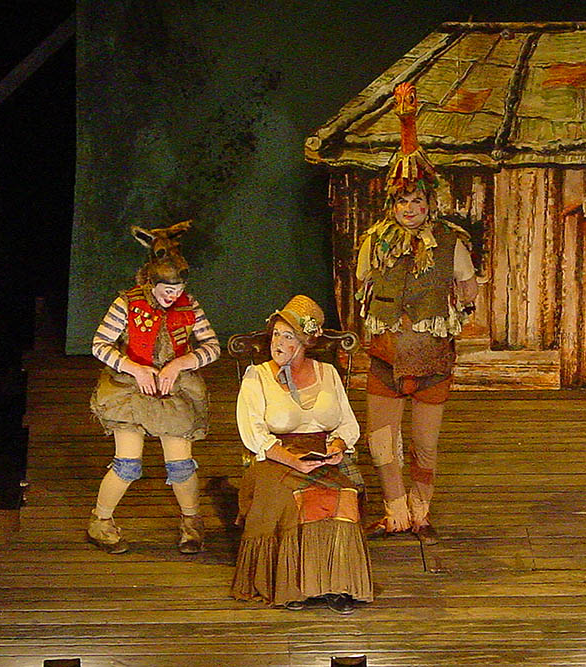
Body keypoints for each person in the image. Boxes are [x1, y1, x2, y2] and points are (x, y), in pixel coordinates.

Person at [355, 82, 479, 545]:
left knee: (425, 444)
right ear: (392, 204)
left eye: (418, 201)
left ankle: (421, 513)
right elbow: (364, 286)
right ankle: (395, 513)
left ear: (430, 204)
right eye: (403, 201)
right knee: (383, 439)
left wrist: (444, 323)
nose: (411, 209)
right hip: (387, 358)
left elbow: (467, 292)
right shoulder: (375, 241)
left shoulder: (449, 242)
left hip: (431, 361)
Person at [232, 295, 372, 614]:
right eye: (276, 333)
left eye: (288, 336)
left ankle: (337, 583)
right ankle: (294, 585)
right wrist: (294, 460)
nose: (278, 342)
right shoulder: (258, 376)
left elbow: (347, 424)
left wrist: (336, 448)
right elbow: (255, 435)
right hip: (275, 459)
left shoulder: (328, 374)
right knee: (295, 499)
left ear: (305, 342)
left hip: (320, 456)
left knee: (344, 497)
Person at [87, 221, 221, 555]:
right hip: (130, 391)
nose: (171, 298)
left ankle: (191, 523)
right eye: (166, 292)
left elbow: (212, 346)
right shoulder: (128, 304)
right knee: (128, 464)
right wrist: (133, 367)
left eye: (176, 292)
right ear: (151, 280)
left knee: (180, 465)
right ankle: (100, 521)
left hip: (173, 392)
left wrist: (180, 363)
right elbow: (100, 344)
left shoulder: (189, 306)